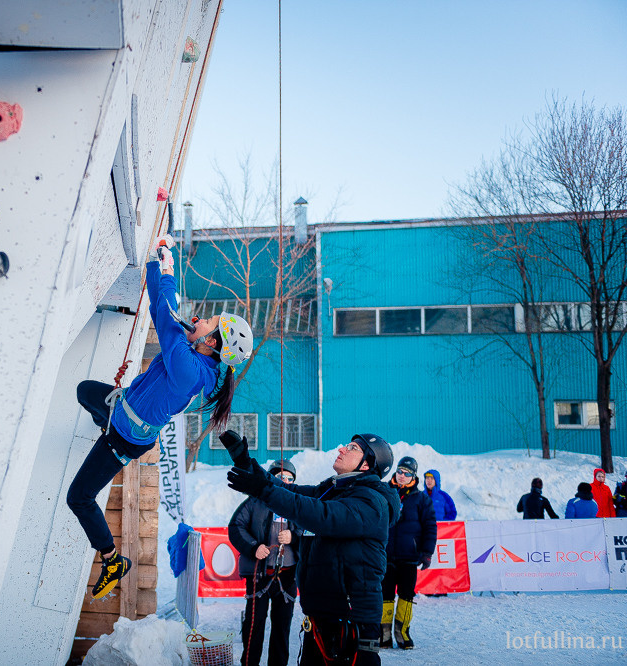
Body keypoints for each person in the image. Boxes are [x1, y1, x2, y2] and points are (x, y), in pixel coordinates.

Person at [68, 237, 254, 599]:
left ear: (212, 343)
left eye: (206, 322)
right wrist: (159, 267)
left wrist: (165, 267)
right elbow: (168, 313)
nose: (198, 320)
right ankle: (103, 420)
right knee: (84, 391)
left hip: (125, 437)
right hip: (120, 408)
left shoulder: (189, 369)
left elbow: (165, 314)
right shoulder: (195, 356)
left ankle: (111, 559)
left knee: (79, 497)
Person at [223, 431, 399, 666]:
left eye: (353, 448)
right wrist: (246, 464)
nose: (342, 449)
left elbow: (319, 515)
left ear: (367, 464)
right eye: (346, 444)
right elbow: (290, 491)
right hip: (321, 617)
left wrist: (262, 491)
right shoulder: (333, 490)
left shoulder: (371, 501)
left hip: (351, 622)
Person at [228, 459, 300, 666]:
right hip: (259, 573)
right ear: (270, 478)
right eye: (280, 477)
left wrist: (293, 537)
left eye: (289, 479)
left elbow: (309, 529)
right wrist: (253, 547)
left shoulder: (297, 502)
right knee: (254, 625)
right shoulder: (254, 501)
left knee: (282, 626)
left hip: (287, 575)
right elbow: (236, 526)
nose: (285, 481)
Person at [381, 456, 437, 650]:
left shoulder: (421, 499)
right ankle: (384, 633)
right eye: (399, 471)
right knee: (384, 596)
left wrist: (427, 552)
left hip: (409, 557)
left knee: (406, 596)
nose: (402, 476)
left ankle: (402, 632)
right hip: (385, 556)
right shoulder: (385, 492)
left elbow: (430, 526)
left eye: (406, 473)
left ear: (413, 476)